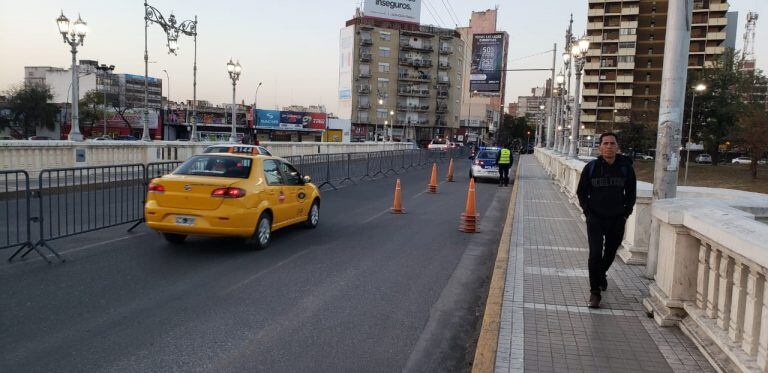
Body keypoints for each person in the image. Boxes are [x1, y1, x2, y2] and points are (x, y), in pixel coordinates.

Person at [576, 132, 636, 308]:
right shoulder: (592, 168)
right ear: (600, 147)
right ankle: (595, 293)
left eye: (612, 143)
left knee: (610, 253)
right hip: (595, 218)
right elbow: (581, 192)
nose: (609, 146)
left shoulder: (626, 169)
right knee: (595, 254)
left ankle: (600, 275)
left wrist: (626, 213)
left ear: (617, 147)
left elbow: (631, 194)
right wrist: (588, 212)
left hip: (617, 218)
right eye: (605, 143)